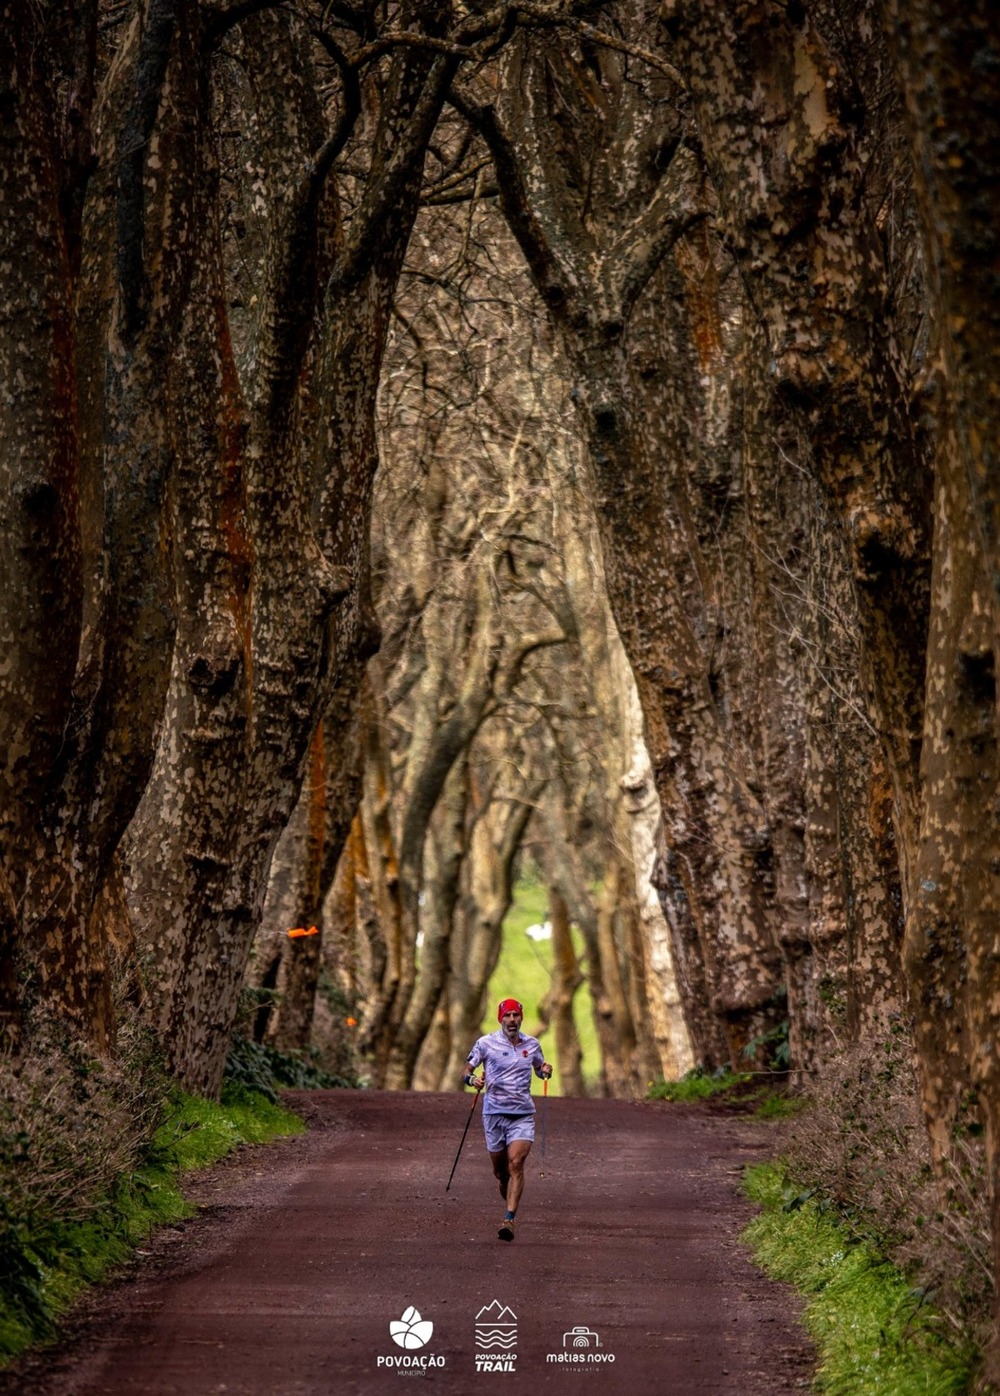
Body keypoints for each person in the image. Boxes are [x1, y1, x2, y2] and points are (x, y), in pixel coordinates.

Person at [464, 997, 553, 1242]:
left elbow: (538, 1068)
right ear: (500, 1019)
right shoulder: (485, 1043)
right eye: (507, 1016)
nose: (512, 1020)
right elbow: (466, 1071)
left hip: (522, 1114)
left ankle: (509, 1219)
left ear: (521, 1018)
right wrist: (473, 1081)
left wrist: (544, 1070)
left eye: (516, 1016)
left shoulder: (532, 1045)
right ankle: (507, 1189)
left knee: (516, 1164)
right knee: (501, 1172)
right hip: (494, 1113)